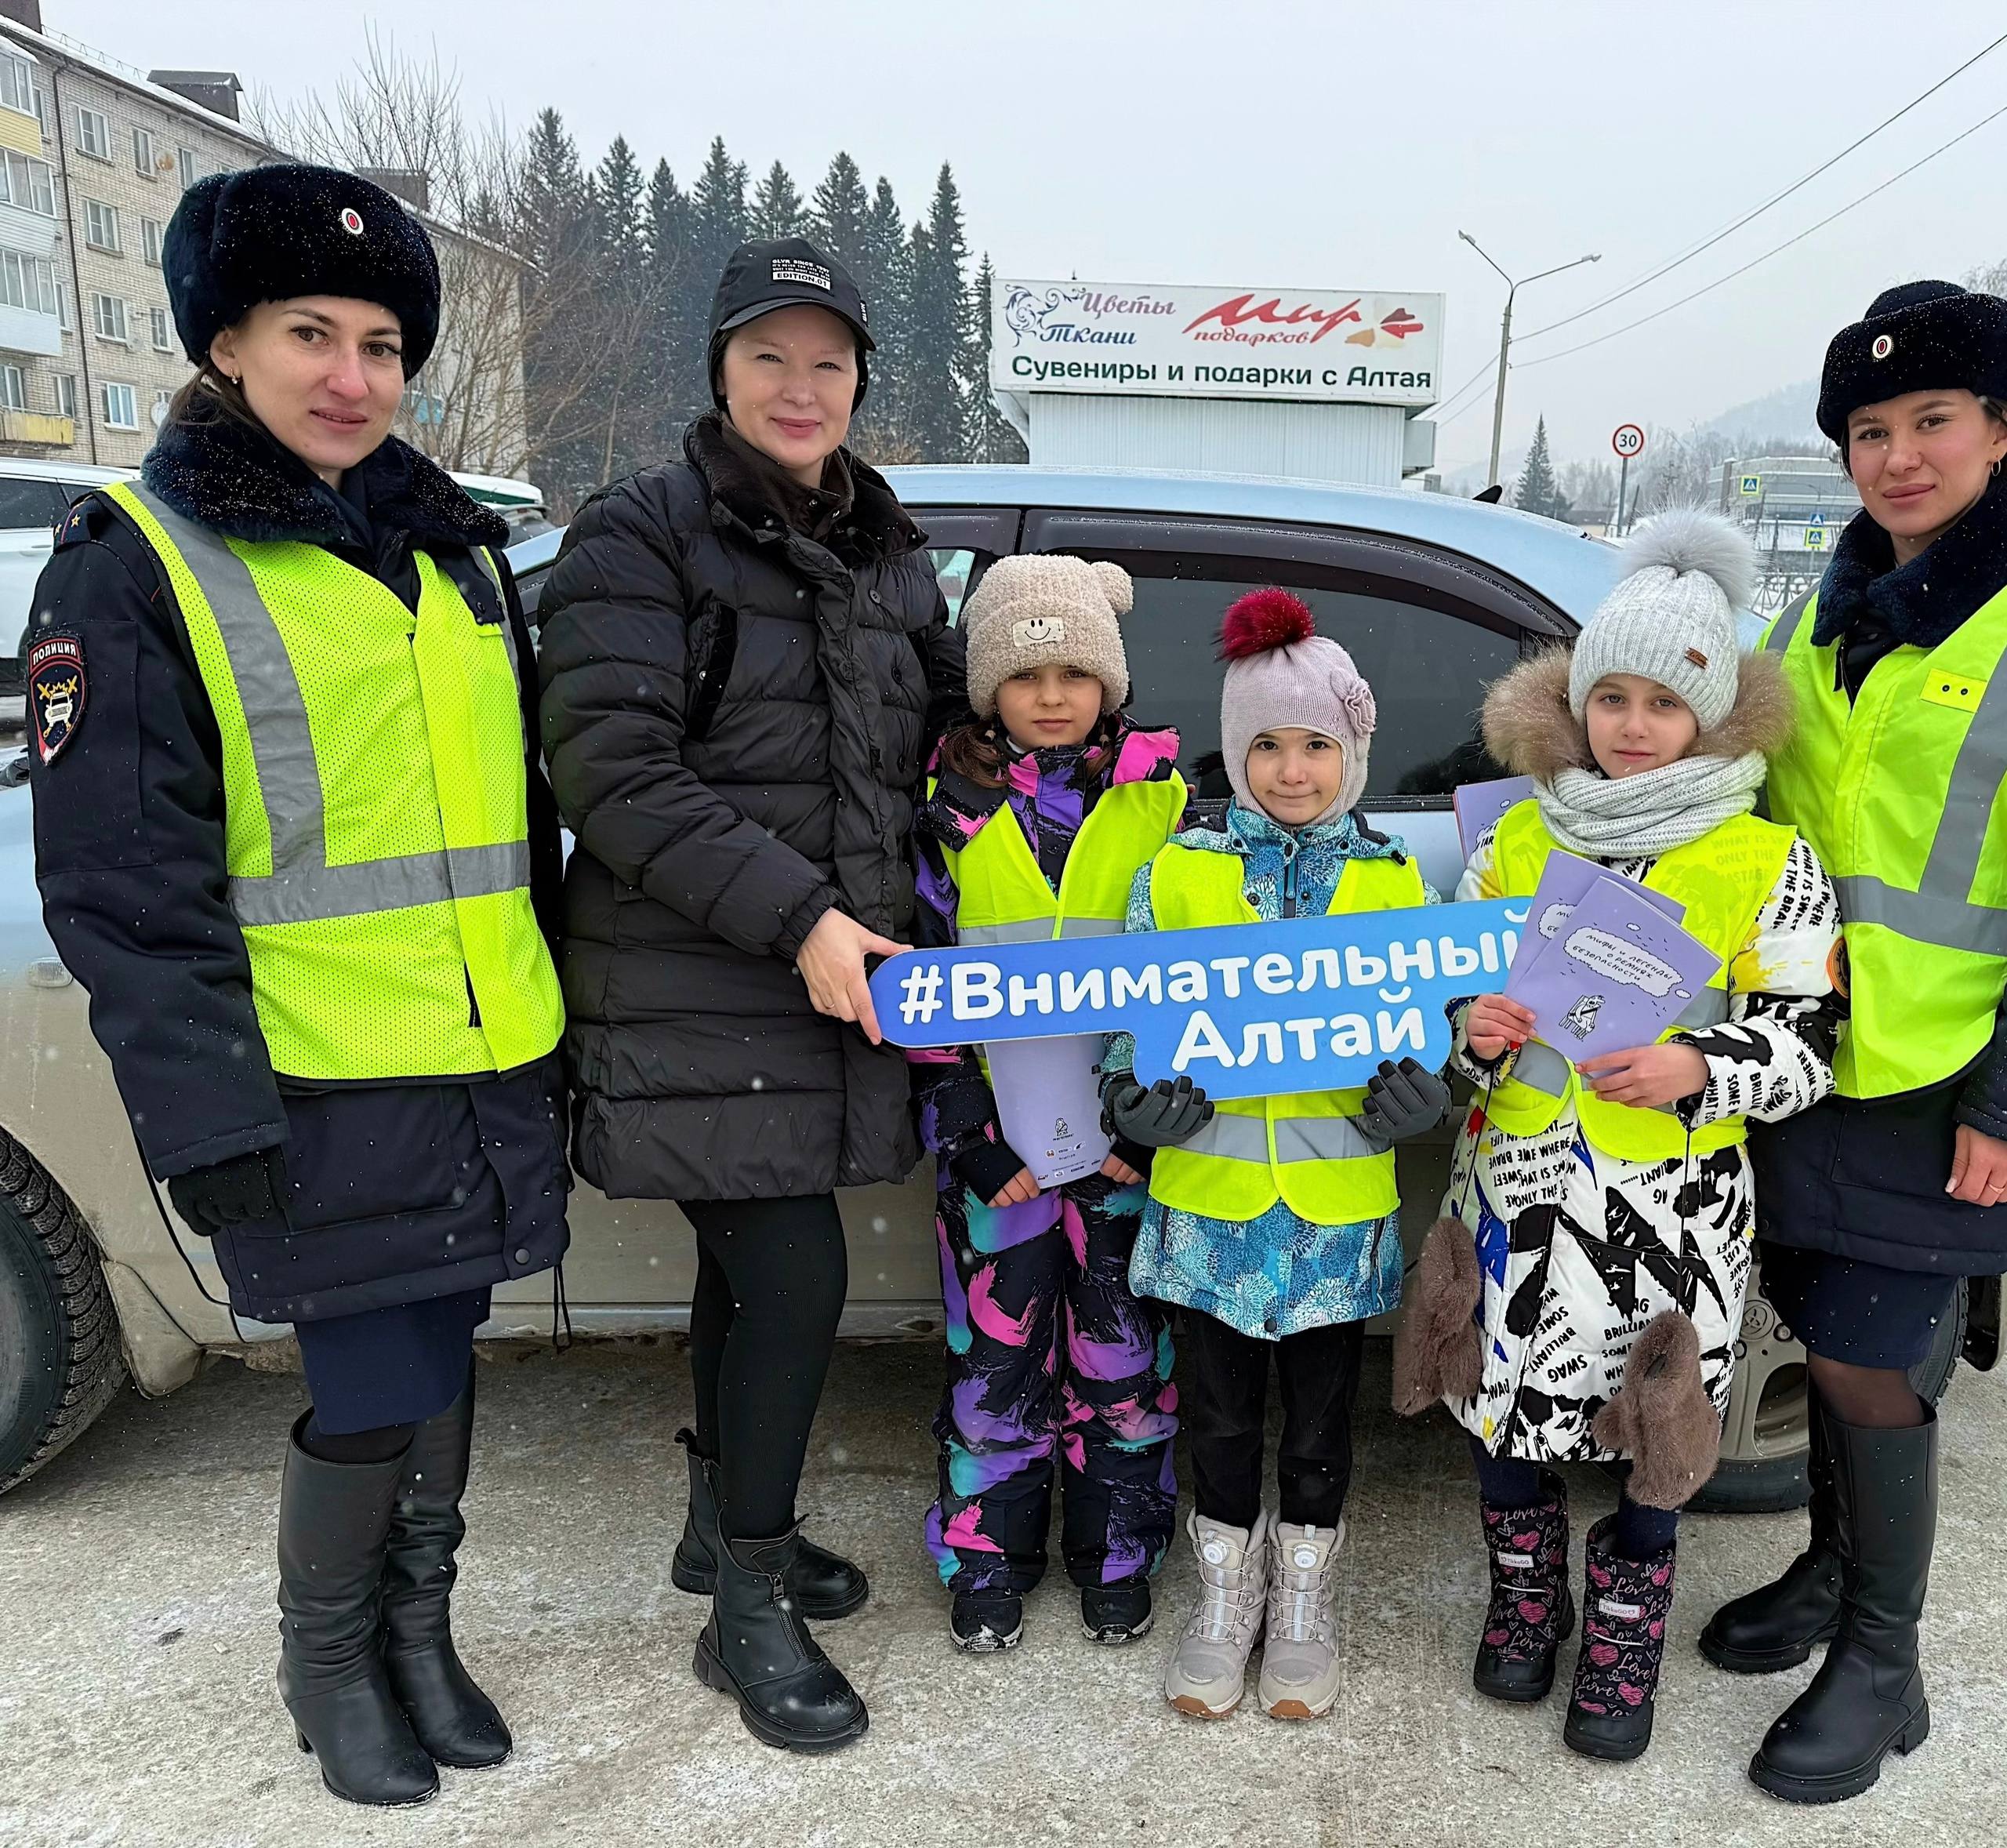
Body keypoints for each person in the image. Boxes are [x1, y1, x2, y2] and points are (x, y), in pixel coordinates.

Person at [25, 165, 569, 1808]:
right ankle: (326, 1659)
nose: (352, 375)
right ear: (223, 347)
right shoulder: (139, 561)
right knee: (373, 1380)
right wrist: (205, 1118)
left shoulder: (456, 551)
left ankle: (419, 1632)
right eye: (308, 333)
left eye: (384, 342)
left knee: (447, 1347)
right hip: (318, 1074)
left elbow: (510, 833)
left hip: (485, 1057)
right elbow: (124, 883)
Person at [535, 236, 962, 1755]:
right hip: (700, 979)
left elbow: (940, 725)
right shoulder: (641, 535)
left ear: (859, 382)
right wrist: (803, 922)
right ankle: (750, 1611)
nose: (800, 386)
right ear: (718, 369)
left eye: (828, 361)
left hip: (814, 980)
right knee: (793, 1281)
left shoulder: (877, 543)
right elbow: (612, 772)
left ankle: (720, 1538)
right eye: (768, 357)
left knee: (744, 1271)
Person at [1393, 512, 1843, 1763]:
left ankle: (1628, 1624)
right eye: (1611, 697)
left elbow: (1811, 1037)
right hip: (1515, 1195)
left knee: (1654, 1428)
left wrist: (1703, 1061)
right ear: (1575, 701)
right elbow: (1432, 1000)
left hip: (1675, 1210)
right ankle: (1527, 1595)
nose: (1633, 724)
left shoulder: (1764, 859)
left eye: (1664, 700)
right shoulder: (1514, 837)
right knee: (1506, 1407)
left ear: (1715, 714)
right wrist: (1469, 1029)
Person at [1700, 281, 2007, 1805]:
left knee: (1872, 1364)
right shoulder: (1810, 614)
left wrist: (2003, 1102)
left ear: (1997, 433)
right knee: (1818, 1338)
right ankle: (1828, 1580)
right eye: (1867, 430)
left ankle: (1884, 1670)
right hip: (1798, 1066)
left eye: (1928, 422)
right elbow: (1737, 810)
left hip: (1942, 1083)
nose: (1895, 455)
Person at [1107, 588, 1452, 1723]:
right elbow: (1131, 1016)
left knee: (1315, 1422)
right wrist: (1129, 1101)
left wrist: (1424, 1099)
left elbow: (1426, 1034)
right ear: (1233, 746)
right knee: (1215, 1414)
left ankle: (1304, 1596)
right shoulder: (1180, 871)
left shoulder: (1398, 883)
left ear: (1353, 751)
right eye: (1266, 744)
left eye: (1316, 745)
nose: (1291, 771)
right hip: (1209, 1205)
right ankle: (1225, 1596)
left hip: (1334, 1216)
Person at [913, 555, 1185, 1654]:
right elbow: (919, 976)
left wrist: (1151, 1117)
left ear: (1110, 681)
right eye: (1028, 673)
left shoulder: (1167, 801)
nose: (1055, 694)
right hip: (1002, 1151)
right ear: (990, 687)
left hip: (1125, 1144)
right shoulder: (948, 810)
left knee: (1123, 1360)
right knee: (998, 1361)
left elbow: (1200, 968)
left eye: (1078, 669)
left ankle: (1116, 1552)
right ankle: (988, 1554)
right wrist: (967, 1132)